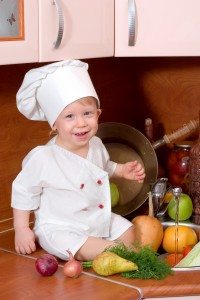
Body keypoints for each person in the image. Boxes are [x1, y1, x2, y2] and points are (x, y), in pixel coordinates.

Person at [11, 60, 145, 261]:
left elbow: (102, 167)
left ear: (98, 114)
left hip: (94, 218)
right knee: (90, 248)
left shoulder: (97, 144)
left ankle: (113, 254)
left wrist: (120, 170)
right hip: (60, 227)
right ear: (54, 123)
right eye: (70, 116)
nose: (81, 123)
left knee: (130, 231)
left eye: (88, 114)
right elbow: (23, 192)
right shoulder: (44, 157)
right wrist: (21, 229)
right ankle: (114, 254)